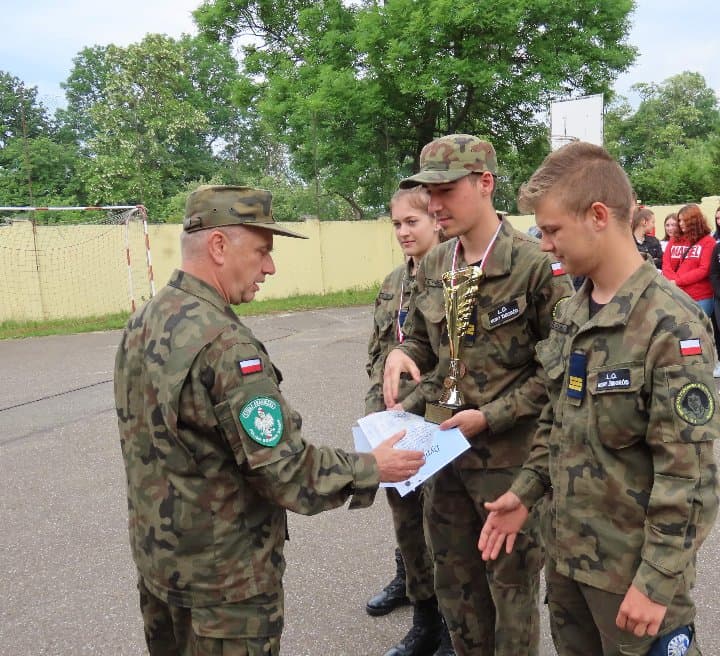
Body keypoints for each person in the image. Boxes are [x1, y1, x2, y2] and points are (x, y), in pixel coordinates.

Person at [113, 185, 426, 656]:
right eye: (262, 251)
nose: (270, 267)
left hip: (162, 566)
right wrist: (372, 467)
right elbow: (283, 469)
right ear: (219, 246)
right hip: (224, 587)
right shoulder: (226, 346)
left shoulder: (147, 319)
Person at [478, 142, 719, 656]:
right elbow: (556, 423)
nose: (545, 245)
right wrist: (525, 492)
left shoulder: (672, 325)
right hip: (570, 565)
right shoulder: (573, 313)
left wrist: (656, 582)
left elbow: (691, 475)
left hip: (633, 583)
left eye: (552, 230)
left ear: (598, 216)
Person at [382, 134, 574, 656]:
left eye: (445, 191)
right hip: (443, 456)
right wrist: (402, 355)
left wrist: (490, 416)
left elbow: (556, 373)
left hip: (507, 463)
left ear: (485, 183)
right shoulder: (436, 263)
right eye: (429, 193)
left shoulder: (534, 265)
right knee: (456, 587)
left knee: (510, 592)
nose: (434, 205)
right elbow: (424, 342)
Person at [365, 186, 454, 656]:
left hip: (437, 422)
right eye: (396, 223)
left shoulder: (454, 279)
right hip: (394, 424)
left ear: (437, 221)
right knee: (406, 520)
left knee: (444, 528)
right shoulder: (393, 282)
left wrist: (412, 404)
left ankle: (451, 626)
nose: (402, 231)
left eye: (412, 222)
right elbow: (378, 356)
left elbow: (454, 363)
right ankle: (423, 613)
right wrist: (375, 416)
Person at [662, 203, 715, 318]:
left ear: (694, 221)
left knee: (696, 329)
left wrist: (678, 281)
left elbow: (704, 269)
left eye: (684, 220)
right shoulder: (674, 239)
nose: (680, 223)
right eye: (679, 220)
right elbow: (666, 264)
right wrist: (673, 282)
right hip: (676, 295)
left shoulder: (708, 242)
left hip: (700, 297)